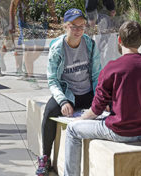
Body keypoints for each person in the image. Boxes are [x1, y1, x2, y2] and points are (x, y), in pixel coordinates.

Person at [62, 20, 141, 176]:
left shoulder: (112, 67)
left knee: (72, 130)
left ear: (119, 40)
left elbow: (97, 109)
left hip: (121, 131)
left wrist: (81, 118)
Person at [36, 9, 102, 176]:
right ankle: (45, 156)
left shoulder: (90, 44)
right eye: (74, 26)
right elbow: (52, 80)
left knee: (111, 107)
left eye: (82, 26)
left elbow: (96, 75)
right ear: (65, 26)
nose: (78, 30)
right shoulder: (57, 48)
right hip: (69, 94)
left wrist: (100, 99)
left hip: (87, 93)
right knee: (49, 111)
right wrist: (63, 101)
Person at [9, 0, 46, 80]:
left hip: (41, 19)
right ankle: (27, 72)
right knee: (28, 46)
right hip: (25, 19)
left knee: (40, 47)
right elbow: (13, 4)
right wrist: (12, 23)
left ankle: (25, 62)